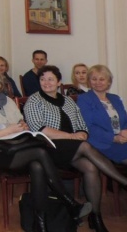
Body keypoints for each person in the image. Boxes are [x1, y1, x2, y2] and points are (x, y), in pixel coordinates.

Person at [0, 70, 92, 231]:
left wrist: (23, 126)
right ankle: (69, 202)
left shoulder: (8, 101)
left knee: (37, 166)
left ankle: (40, 224)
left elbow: (20, 122)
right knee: (40, 153)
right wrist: (8, 130)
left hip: (15, 148)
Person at [24, 65, 127, 232]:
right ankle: (123, 181)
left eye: (50, 79)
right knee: (85, 146)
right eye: (42, 79)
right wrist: (72, 136)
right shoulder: (34, 100)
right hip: (47, 147)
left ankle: (96, 217)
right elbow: (39, 129)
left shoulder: (68, 101)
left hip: (71, 148)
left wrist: (82, 133)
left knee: (91, 167)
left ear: (59, 82)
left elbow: (82, 124)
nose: (46, 82)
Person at [78, 65, 127, 164]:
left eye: (102, 79)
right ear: (89, 81)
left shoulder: (115, 98)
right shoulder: (84, 99)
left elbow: (125, 119)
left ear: (109, 82)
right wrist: (113, 138)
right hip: (102, 143)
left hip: (122, 140)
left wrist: (125, 131)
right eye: (94, 79)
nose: (98, 82)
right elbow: (88, 126)